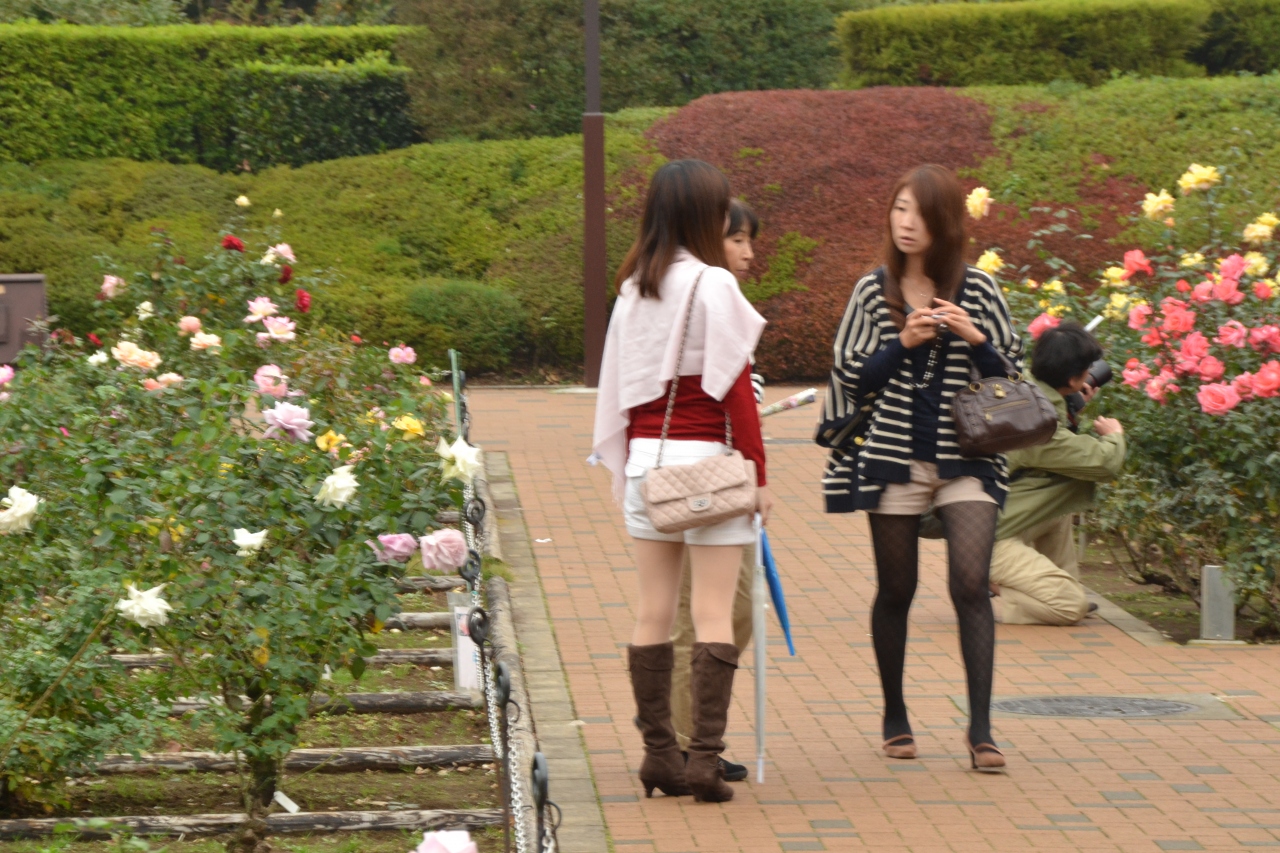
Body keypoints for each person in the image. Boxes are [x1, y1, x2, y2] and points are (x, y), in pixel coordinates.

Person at [819, 164, 1024, 771]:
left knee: (970, 583)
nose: (906, 223)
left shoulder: (979, 288)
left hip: (969, 456)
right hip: (893, 456)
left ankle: (981, 729)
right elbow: (852, 378)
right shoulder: (871, 291)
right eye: (899, 209)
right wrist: (900, 344)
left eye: (921, 214)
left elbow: (1012, 377)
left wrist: (976, 339)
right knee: (896, 589)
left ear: (946, 224)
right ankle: (895, 716)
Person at [592, 161, 772, 803]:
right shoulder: (713, 284)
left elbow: (620, 388)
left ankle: (659, 756)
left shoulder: (633, 288)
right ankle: (704, 762)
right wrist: (759, 473)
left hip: (648, 462)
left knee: (653, 611)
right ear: (702, 213)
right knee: (713, 612)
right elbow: (737, 390)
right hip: (710, 465)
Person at [669, 199, 762, 783]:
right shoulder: (696, 295)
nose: (748, 253)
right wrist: (759, 473)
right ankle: (685, 744)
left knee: (733, 609)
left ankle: (688, 735)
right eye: (737, 240)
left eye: (751, 241)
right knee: (699, 611)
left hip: (722, 476)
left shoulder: (719, 299)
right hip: (695, 477)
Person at [988, 322, 1126, 624]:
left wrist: (1070, 406)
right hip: (987, 542)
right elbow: (1104, 462)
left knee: (1058, 506)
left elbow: (1047, 454)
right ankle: (990, 589)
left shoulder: (1024, 389)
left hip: (994, 522)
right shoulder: (1039, 425)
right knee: (1070, 607)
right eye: (1086, 370)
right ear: (1073, 378)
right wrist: (1115, 435)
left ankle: (1060, 586)